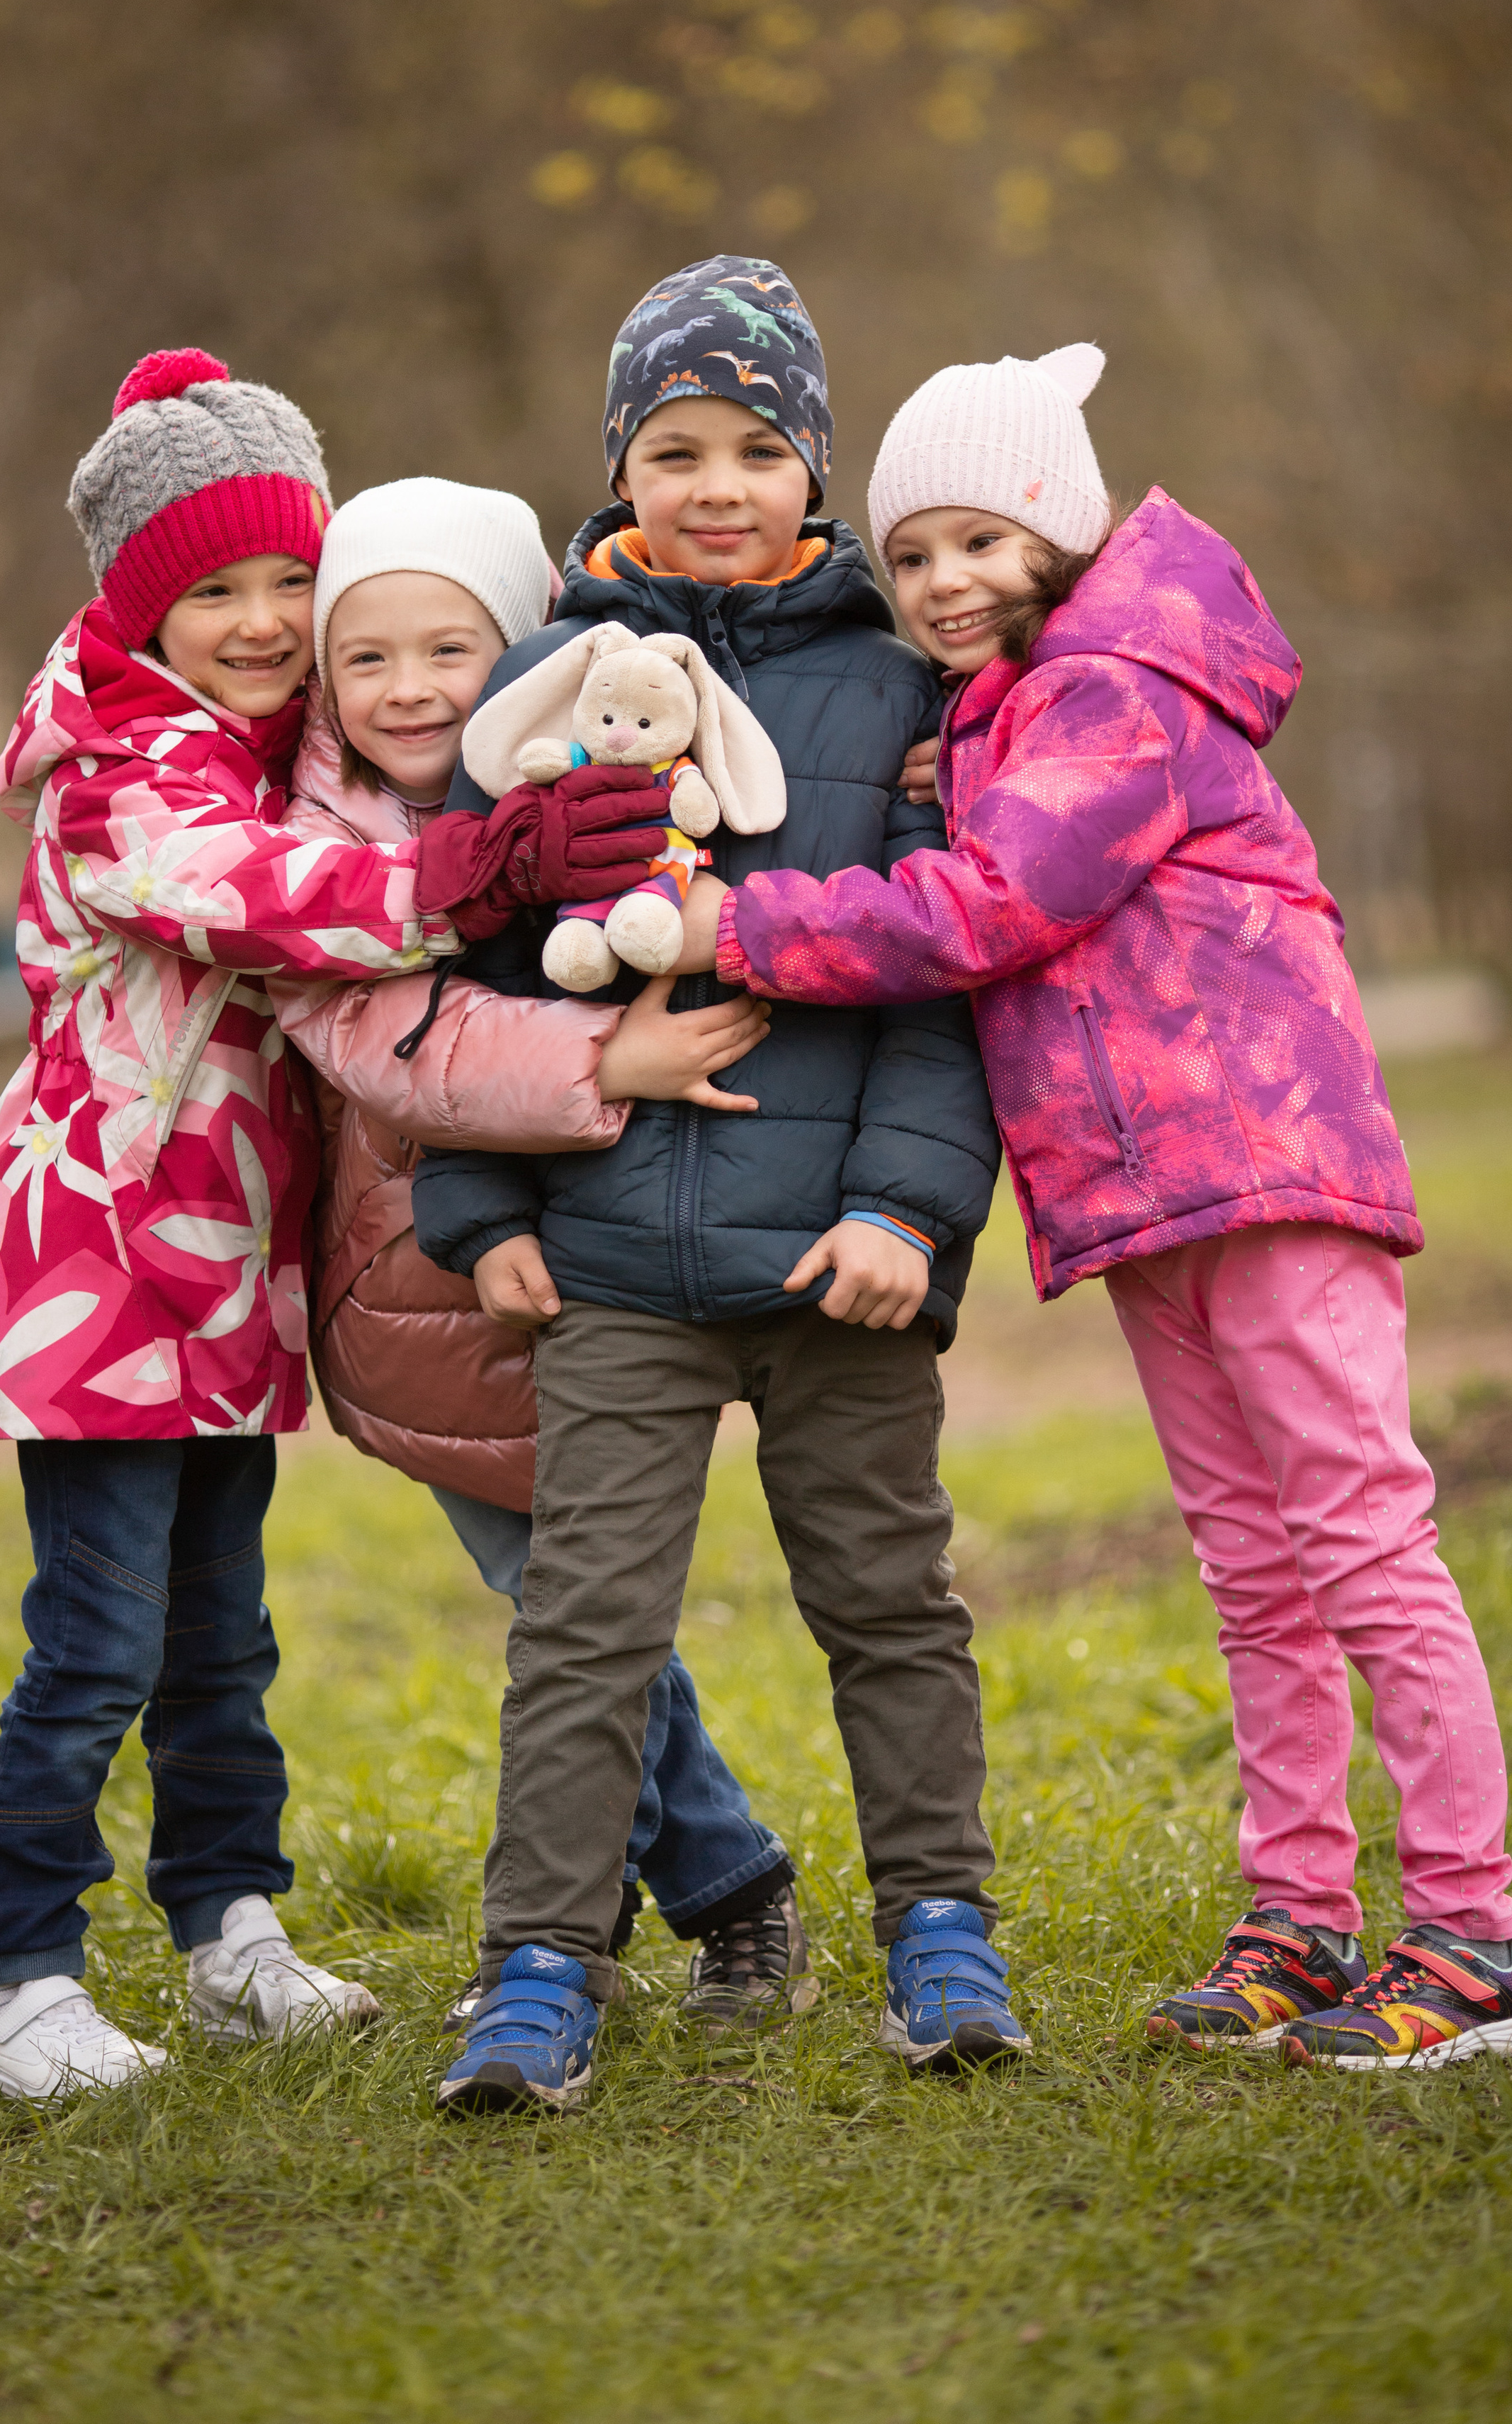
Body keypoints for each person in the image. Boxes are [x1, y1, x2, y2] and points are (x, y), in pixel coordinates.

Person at [690, 342, 1512, 2076]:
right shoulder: (1018, 707)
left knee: (1358, 1543)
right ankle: (1298, 1919)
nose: (940, 583)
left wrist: (740, 928)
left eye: (978, 542)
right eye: (910, 553)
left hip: (1265, 1165)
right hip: (1146, 1193)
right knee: (1251, 1566)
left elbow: (992, 903)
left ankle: (1476, 1940)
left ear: (1061, 532)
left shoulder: (1117, 690)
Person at [0, 351, 659, 2101]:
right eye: (215, 592)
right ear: (141, 609)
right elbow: (256, 898)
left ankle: (228, 1931)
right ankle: (23, 1975)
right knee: (96, 1642)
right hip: (98, 1268)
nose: (264, 621)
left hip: (221, 1269)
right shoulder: (123, 769)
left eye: (289, 578)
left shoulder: (268, 747)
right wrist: (470, 874)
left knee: (222, 1630)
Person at [412, 256, 1012, 2116]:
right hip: (608, 1262)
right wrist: (483, 1215)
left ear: (815, 466)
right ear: (620, 469)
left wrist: (905, 1212)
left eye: (758, 447)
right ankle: (541, 1962)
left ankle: (940, 1927)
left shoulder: (900, 691)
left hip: (840, 1259)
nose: (719, 485)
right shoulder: (538, 696)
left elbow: (942, 979)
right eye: (674, 450)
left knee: (889, 1601)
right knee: (583, 1626)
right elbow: (474, 971)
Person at [270, 475, 807, 2024]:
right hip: (420, 1278)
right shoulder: (323, 839)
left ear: (520, 654)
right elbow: (375, 1036)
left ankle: (646, 1907)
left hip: (593, 1246)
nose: (409, 688)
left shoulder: (607, 781)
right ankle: (698, 1892)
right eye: (365, 658)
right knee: (563, 1603)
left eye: (450, 649)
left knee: (573, 1602)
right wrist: (602, 1061)